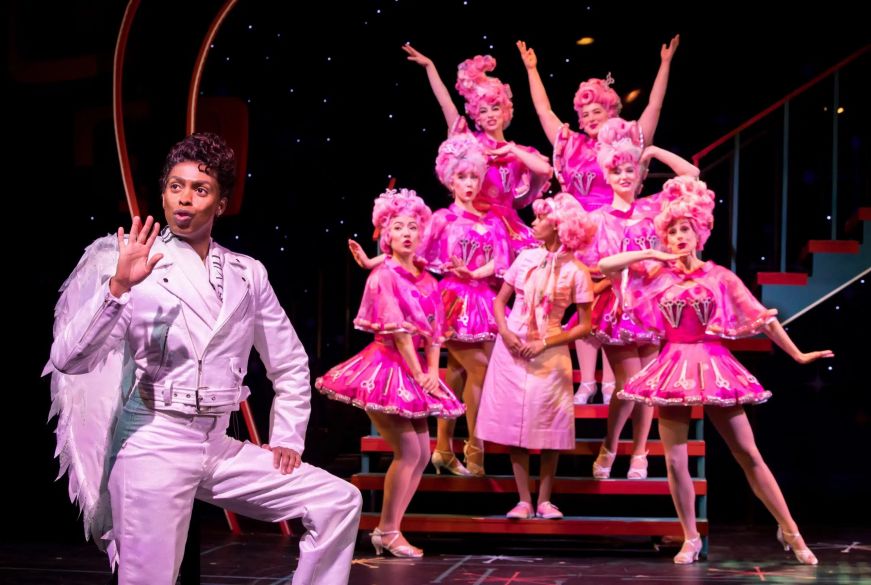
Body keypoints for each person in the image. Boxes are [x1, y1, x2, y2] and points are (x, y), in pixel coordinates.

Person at [47, 133, 362, 585]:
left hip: (218, 445)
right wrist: (117, 288)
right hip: (154, 440)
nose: (185, 199)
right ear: (163, 192)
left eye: (200, 189)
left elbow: (290, 362)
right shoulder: (135, 265)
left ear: (221, 203)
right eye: (176, 186)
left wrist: (287, 438)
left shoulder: (247, 273)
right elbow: (68, 359)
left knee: (338, 500)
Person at [599, 177, 832, 564]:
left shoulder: (719, 276)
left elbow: (762, 319)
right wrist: (654, 257)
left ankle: (790, 530)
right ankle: (690, 537)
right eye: (671, 231)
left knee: (748, 452)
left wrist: (798, 355)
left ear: (699, 233)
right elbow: (607, 265)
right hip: (672, 366)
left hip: (714, 365)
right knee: (674, 457)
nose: (678, 236)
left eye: (685, 229)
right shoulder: (657, 277)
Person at [517, 35, 679, 405]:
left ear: (611, 113)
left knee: (617, 306)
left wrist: (664, 65)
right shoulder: (571, 145)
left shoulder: (625, 143)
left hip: (620, 230)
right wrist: (532, 70)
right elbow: (544, 113)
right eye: (585, 114)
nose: (590, 119)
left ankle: (610, 383)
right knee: (586, 303)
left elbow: (655, 106)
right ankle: (588, 381)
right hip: (581, 233)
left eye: (597, 113)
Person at [350, 134, 510, 477]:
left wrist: (476, 271)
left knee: (458, 372)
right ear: (450, 180)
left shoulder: (492, 221)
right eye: (462, 178)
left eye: (473, 178)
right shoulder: (441, 219)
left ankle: (443, 449)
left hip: (482, 298)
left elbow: (500, 261)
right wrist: (371, 263)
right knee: (479, 369)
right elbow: (409, 250)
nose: (468, 184)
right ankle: (475, 448)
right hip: (451, 299)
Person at [317, 188, 464, 558]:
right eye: (398, 227)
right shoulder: (383, 275)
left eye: (413, 226)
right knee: (408, 450)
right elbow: (397, 332)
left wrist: (432, 372)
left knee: (422, 450)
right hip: (385, 366)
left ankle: (389, 529)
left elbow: (434, 332)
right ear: (387, 235)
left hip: (415, 367)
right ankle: (388, 529)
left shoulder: (429, 280)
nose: (407, 233)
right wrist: (418, 373)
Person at [579, 118, 699, 480]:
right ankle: (612, 444)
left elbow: (692, 175)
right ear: (608, 177)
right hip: (618, 306)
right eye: (618, 172)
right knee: (629, 384)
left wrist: (653, 152)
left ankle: (640, 453)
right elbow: (595, 267)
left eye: (631, 170)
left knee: (646, 385)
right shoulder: (597, 219)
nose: (625, 177)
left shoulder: (654, 209)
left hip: (654, 306)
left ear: (640, 175)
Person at [476, 193, 595, 519]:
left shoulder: (576, 271)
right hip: (512, 349)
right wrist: (506, 332)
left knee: (549, 426)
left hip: (549, 352)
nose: (533, 223)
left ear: (559, 225)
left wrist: (546, 342)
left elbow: (585, 325)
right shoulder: (525, 258)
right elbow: (500, 302)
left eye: (541, 218)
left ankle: (545, 499)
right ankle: (523, 499)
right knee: (515, 425)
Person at [402, 44, 553, 255]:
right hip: (475, 223)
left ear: (505, 111)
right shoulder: (470, 143)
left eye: (495, 108)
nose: (490, 114)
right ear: (476, 116)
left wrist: (510, 150)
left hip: (509, 227)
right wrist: (431, 68)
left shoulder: (517, 152)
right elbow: (447, 106)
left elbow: (545, 171)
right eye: (483, 110)